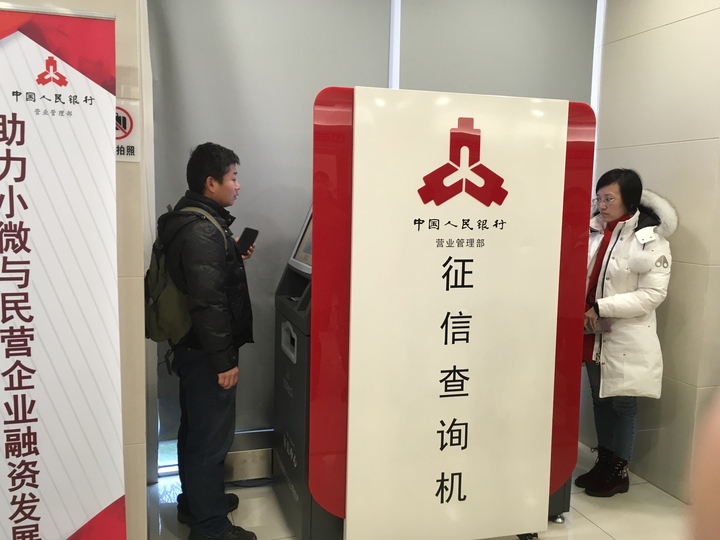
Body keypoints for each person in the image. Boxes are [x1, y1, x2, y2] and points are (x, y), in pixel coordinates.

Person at [157, 142, 257, 540]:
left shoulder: (193, 220)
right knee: (210, 440)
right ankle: (211, 528)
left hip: (192, 348)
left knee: (195, 430)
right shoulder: (202, 229)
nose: (238, 185)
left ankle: (198, 504)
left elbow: (201, 278)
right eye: (233, 177)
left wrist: (230, 254)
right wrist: (223, 361)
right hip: (205, 353)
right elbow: (208, 301)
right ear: (210, 182)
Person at [574, 168, 677, 498]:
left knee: (622, 403)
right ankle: (603, 463)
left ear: (629, 200)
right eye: (599, 198)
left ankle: (620, 471)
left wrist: (601, 307)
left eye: (610, 199)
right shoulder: (593, 230)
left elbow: (652, 295)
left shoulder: (650, 240)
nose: (602, 205)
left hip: (624, 334)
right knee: (599, 400)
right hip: (591, 331)